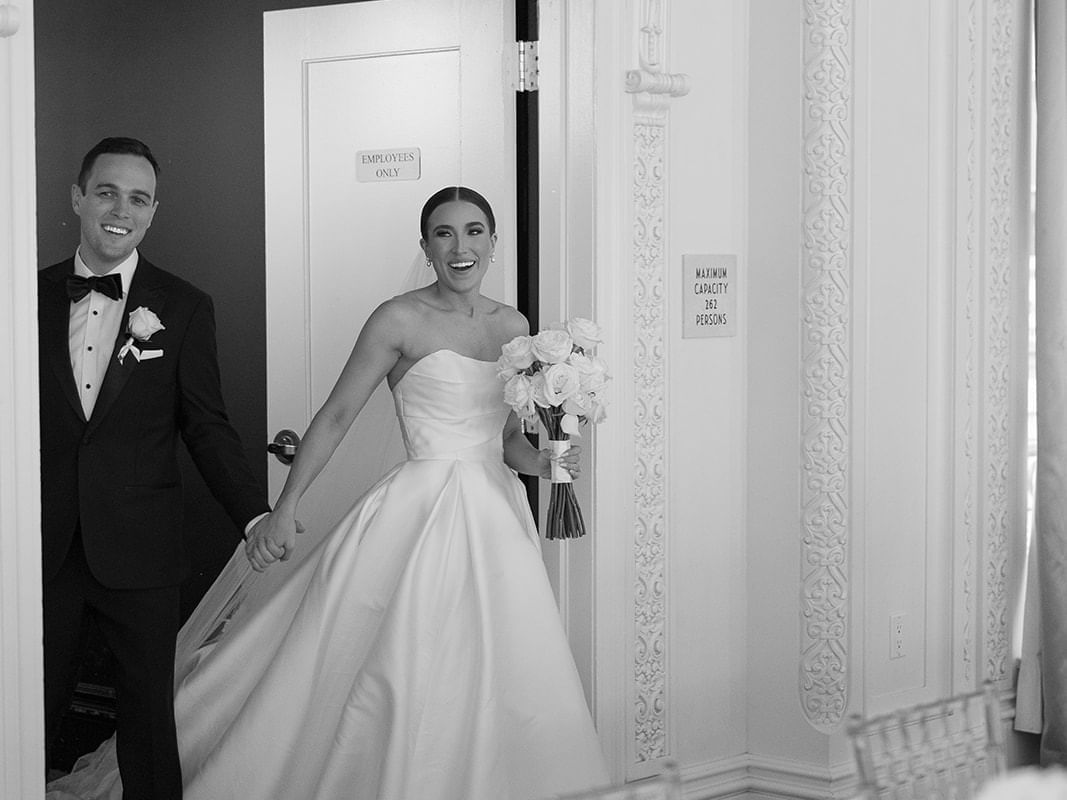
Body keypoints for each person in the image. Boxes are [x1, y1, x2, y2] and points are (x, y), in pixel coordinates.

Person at [47, 186, 609, 800]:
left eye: (474, 231)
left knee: (503, 665)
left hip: (498, 519)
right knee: (393, 663)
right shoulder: (397, 318)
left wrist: (550, 461)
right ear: (425, 246)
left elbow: (505, 439)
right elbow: (337, 415)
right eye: (444, 233)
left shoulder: (516, 327)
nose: (460, 246)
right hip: (417, 516)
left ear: (494, 243)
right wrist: (283, 509)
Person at [38, 137, 271, 800]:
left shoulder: (185, 306)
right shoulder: (22, 298)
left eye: (137, 198)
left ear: (153, 212)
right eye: (106, 192)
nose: (121, 209)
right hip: (42, 547)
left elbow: (207, 426)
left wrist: (254, 514)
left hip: (141, 550)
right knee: (24, 712)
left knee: (147, 723)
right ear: (78, 198)